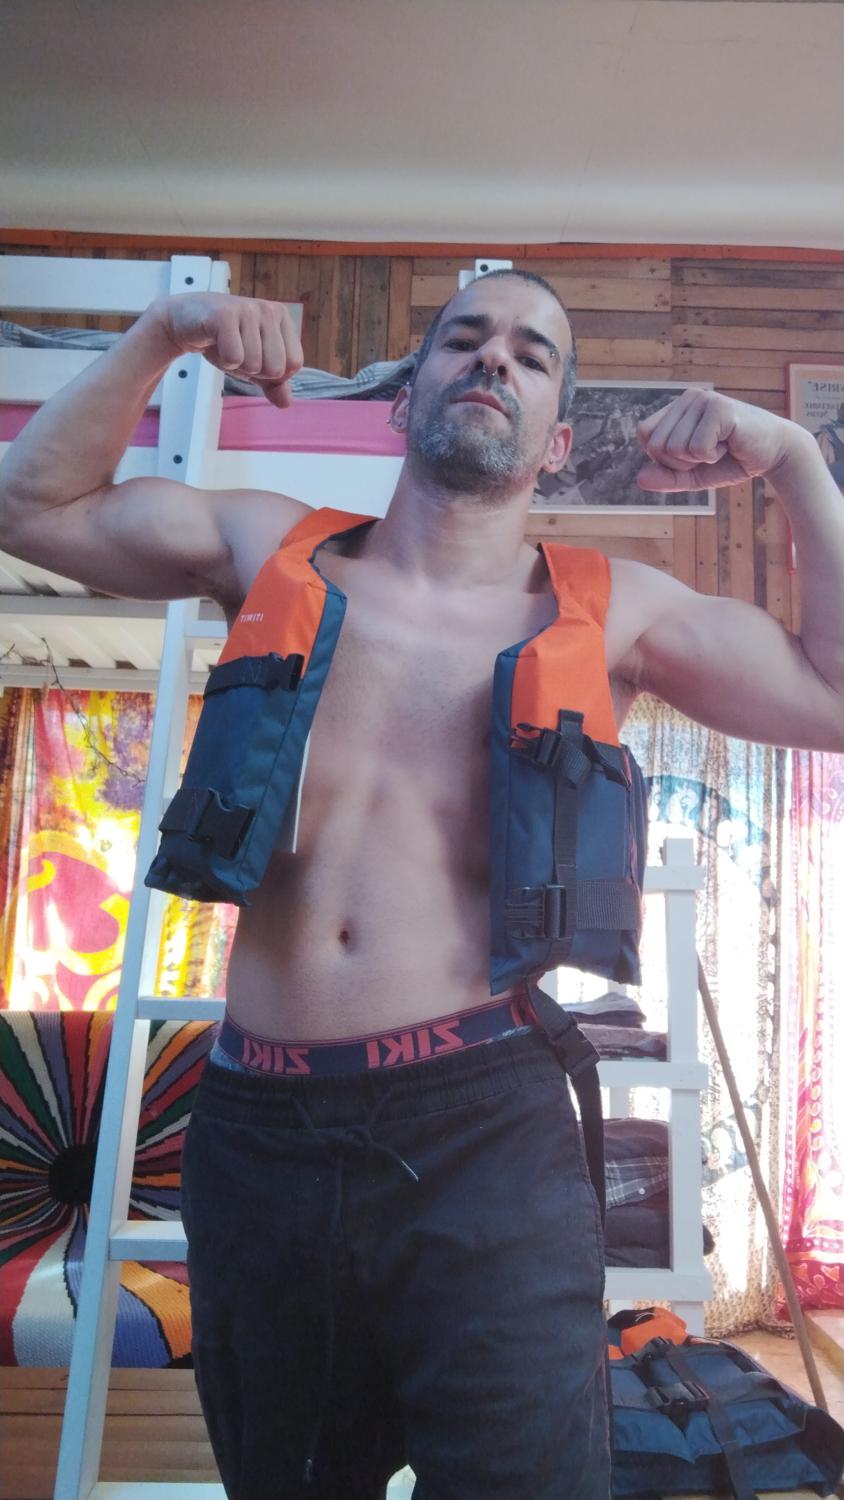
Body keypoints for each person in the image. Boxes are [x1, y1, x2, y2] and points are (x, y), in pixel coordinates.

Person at [0, 269, 842, 1500]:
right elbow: (29, 505)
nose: (493, 358)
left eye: (532, 354)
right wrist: (163, 331)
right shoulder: (264, 545)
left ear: (557, 444)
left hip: (480, 1128)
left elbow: (834, 696)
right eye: (465, 339)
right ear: (408, 397)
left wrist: (793, 464)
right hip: (259, 1133)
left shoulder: (615, 611)